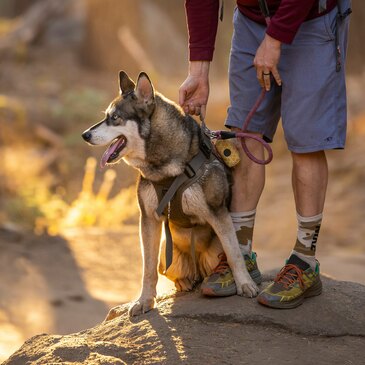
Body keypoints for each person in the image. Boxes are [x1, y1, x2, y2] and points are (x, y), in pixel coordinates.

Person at [179, 0, 351, 308]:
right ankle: (240, 254)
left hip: (312, 19)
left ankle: (304, 262)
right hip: (251, 19)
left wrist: (275, 40)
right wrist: (198, 70)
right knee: (244, 137)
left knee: (306, 143)